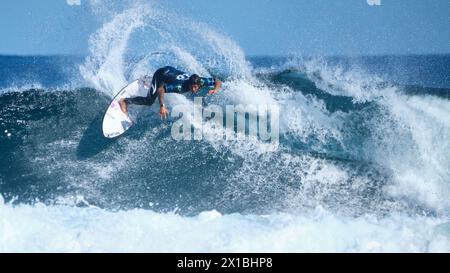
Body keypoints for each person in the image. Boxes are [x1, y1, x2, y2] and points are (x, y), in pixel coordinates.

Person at [119, 66, 222, 119]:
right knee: (149, 101)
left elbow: (217, 81)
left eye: (196, 87)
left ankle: (147, 81)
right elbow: (161, 90)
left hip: (171, 72)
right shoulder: (180, 87)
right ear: (189, 84)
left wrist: (215, 89)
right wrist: (162, 105)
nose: (195, 89)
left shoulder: (200, 81)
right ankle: (125, 101)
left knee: (166, 83)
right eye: (193, 87)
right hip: (161, 74)